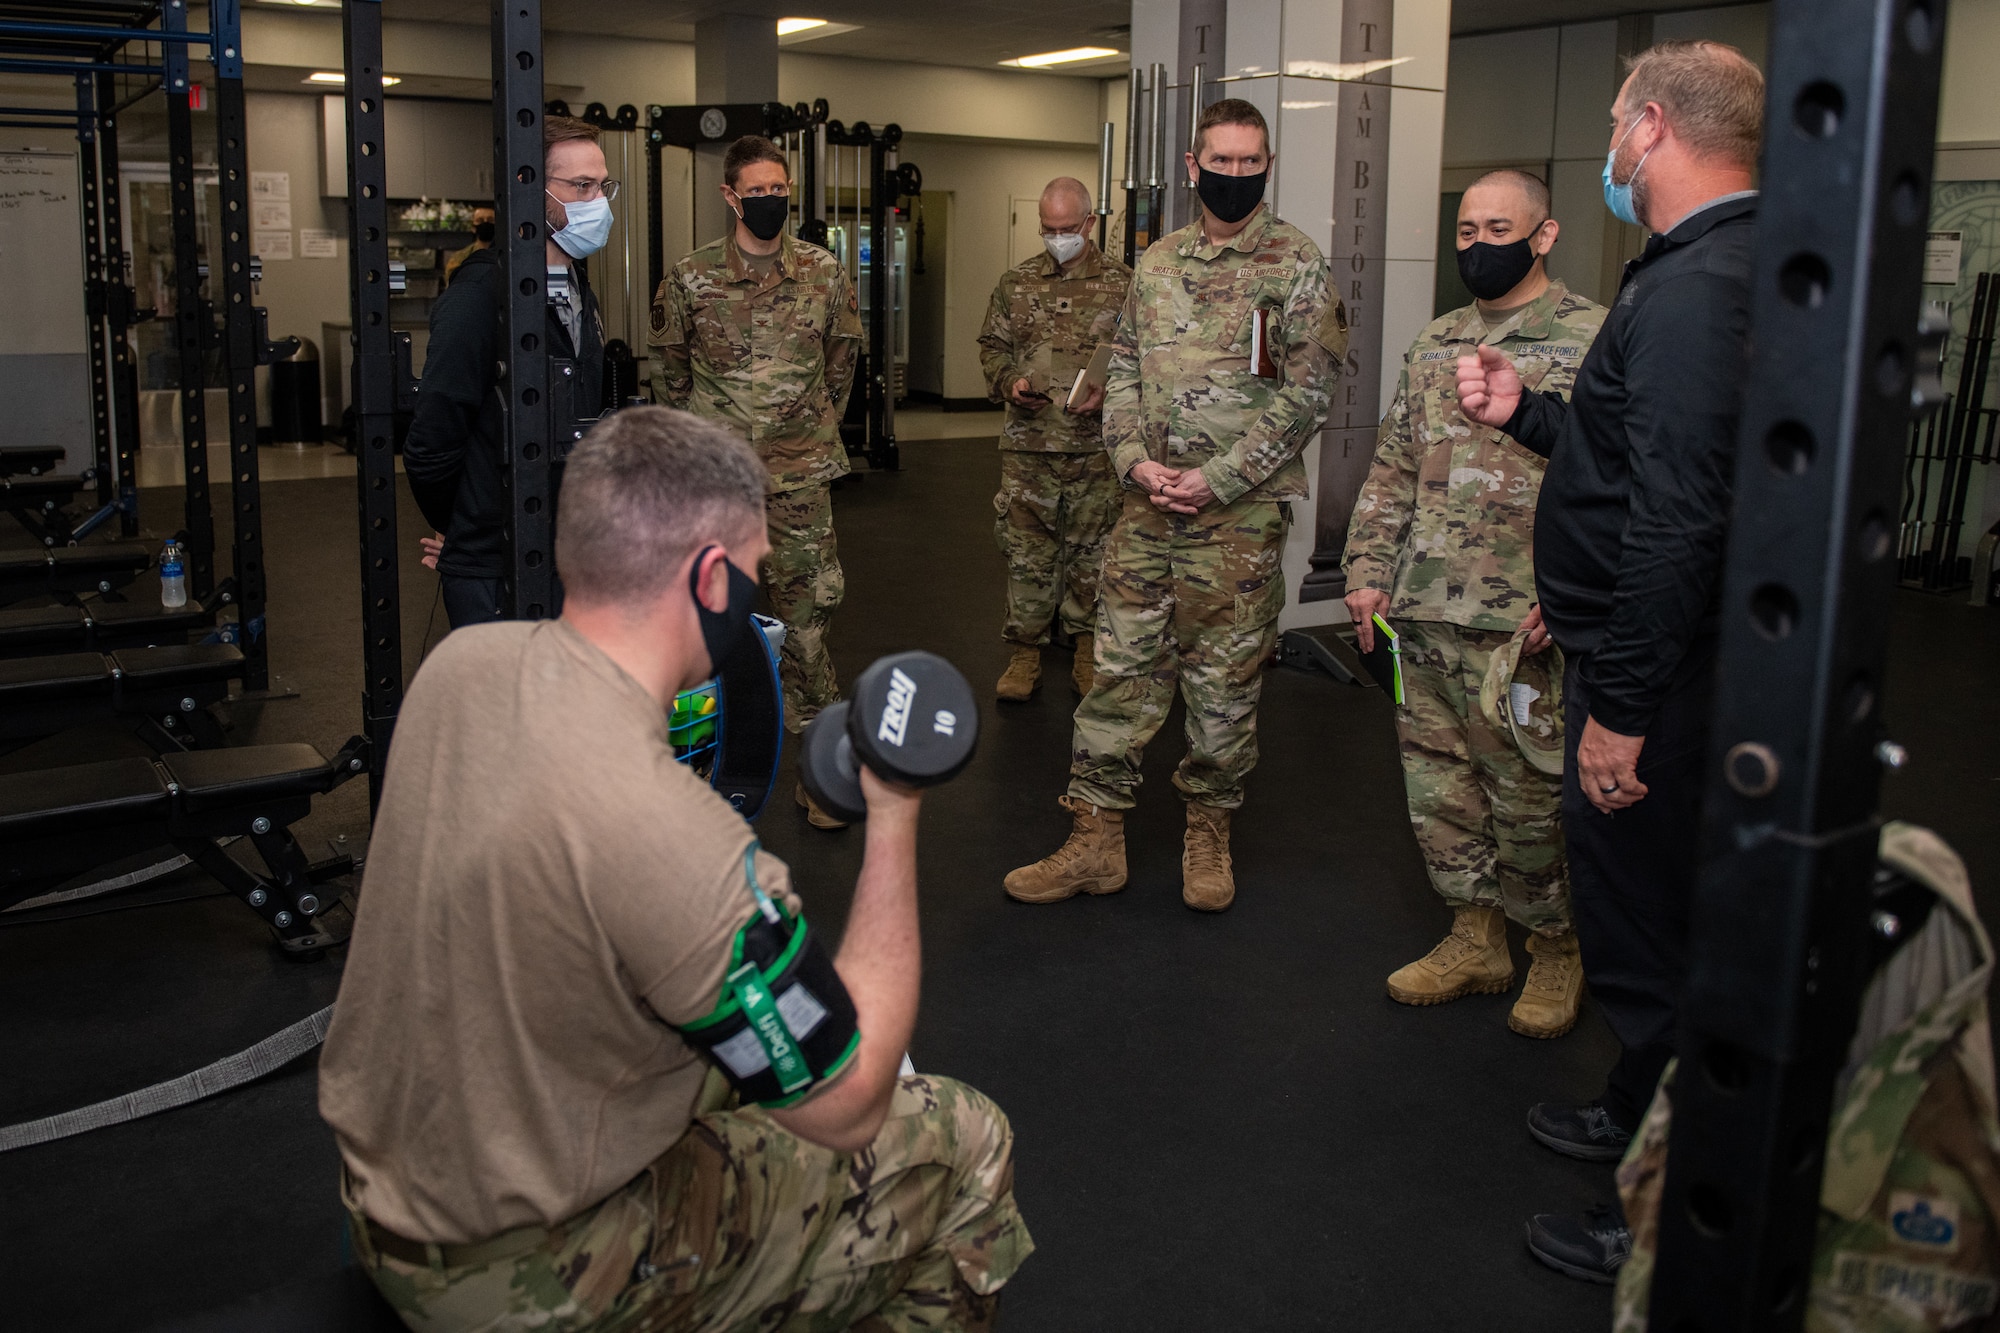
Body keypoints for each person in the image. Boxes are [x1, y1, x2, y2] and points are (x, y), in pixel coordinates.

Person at [320, 407, 1033, 1331]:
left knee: (735, 1052)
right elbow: (848, 1104)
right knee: (960, 1136)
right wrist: (895, 809)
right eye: (755, 567)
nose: (759, 584)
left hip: (387, 1196)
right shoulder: (672, 836)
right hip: (523, 1275)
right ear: (709, 578)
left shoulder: (463, 667)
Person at [1452, 40, 1764, 1279]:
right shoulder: (1694, 265)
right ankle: (1635, 1110)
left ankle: (1664, 1214)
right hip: (1650, 664)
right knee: (1640, 928)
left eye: (1612, 133)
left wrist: (1619, 711)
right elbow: (1629, 455)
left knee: (1653, 946)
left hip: (1661, 682)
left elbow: (1678, 523)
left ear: (1644, 129)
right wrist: (1523, 416)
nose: (1610, 156)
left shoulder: (1696, 286)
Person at [1004, 98, 1346, 913]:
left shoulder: (1298, 266)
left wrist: (1219, 478)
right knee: (1118, 673)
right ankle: (1095, 836)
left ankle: (1209, 830)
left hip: (1238, 522)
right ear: (1193, 168)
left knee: (1223, 685)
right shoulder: (1155, 264)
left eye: (1249, 162)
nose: (1235, 175)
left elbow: (1309, 395)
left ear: (1266, 166)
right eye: (1220, 161)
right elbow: (1119, 368)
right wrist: (1131, 459)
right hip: (1147, 510)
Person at [1343, 170, 1607, 1040]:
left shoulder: (1592, 339)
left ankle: (1556, 947)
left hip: (1524, 622)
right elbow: (1391, 469)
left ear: (1544, 235)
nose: (1477, 244)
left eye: (1499, 227)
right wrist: (1367, 571)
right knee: (1440, 788)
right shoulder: (1438, 343)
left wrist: (1577, 599)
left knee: (1527, 795)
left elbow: (1618, 488)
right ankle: (1476, 935)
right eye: (1465, 229)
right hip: (1424, 608)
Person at [650, 134, 863, 831]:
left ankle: (822, 771)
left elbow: (841, 368)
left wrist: (798, 427)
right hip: (717, 483)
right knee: (707, 625)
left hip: (800, 473)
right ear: (729, 195)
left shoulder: (825, 274)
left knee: (808, 623)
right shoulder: (689, 277)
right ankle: (701, 765)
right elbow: (670, 374)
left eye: (781, 189)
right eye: (759, 190)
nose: (772, 200)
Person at [403, 117, 610, 629]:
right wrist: (470, 527)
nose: (598, 201)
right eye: (581, 186)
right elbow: (432, 444)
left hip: (572, 558)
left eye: (603, 186)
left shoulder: (581, 293)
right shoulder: (477, 301)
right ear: (529, 188)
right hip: (495, 570)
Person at [976, 177, 1133, 702]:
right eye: (1049, 229)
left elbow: (1144, 359)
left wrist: (1109, 391)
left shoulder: (1125, 285)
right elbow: (992, 346)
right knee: (1026, 556)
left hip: (1096, 452)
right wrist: (1008, 382)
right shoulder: (1014, 283)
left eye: (1068, 229)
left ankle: (1088, 649)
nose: (1058, 237)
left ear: (1090, 224)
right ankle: (1024, 655)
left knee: (1094, 557)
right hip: (1029, 449)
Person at [443, 204, 494, 285]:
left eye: (490, 220)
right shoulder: (459, 258)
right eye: (480, 220)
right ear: (473, 228)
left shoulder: (508, 255)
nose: (486, 223)